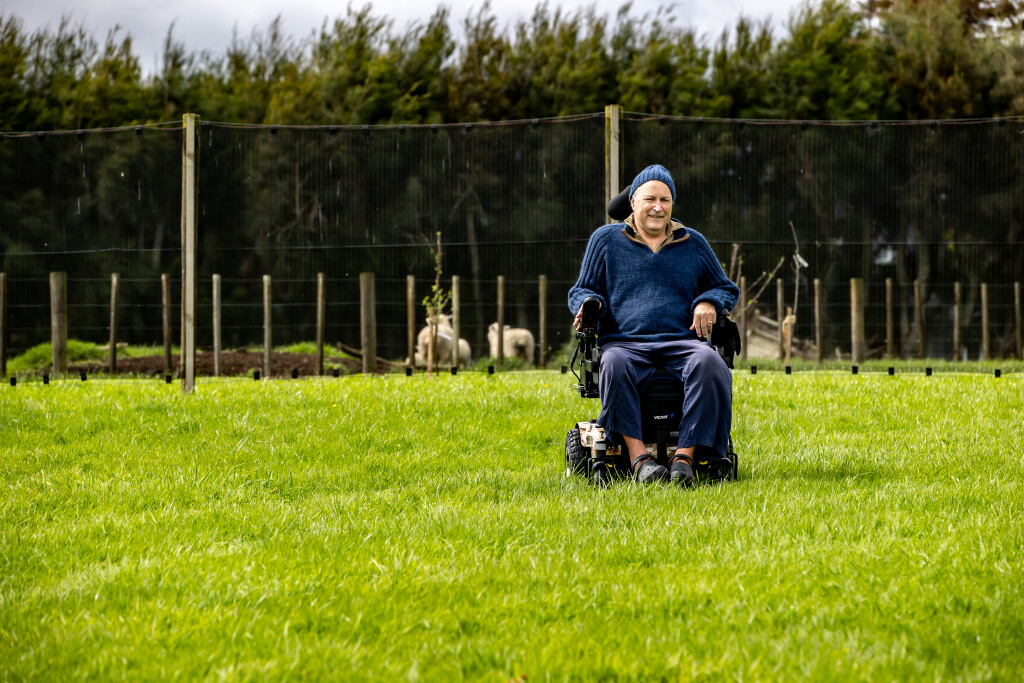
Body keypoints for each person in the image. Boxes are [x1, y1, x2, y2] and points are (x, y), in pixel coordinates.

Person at [568, 164, 739, 485]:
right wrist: (589, 303)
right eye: (650, 199)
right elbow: (581, 289)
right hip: (625, 343)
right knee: (613, 363)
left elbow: (726, 288)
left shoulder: (692, 242)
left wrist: (709, 301)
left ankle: (684, 458)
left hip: (683, 342)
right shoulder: (605, 240)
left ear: (672, 204)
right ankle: (640, 460)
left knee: (711, 364)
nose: (658, 207)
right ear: (633, 202)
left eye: (665, 200)